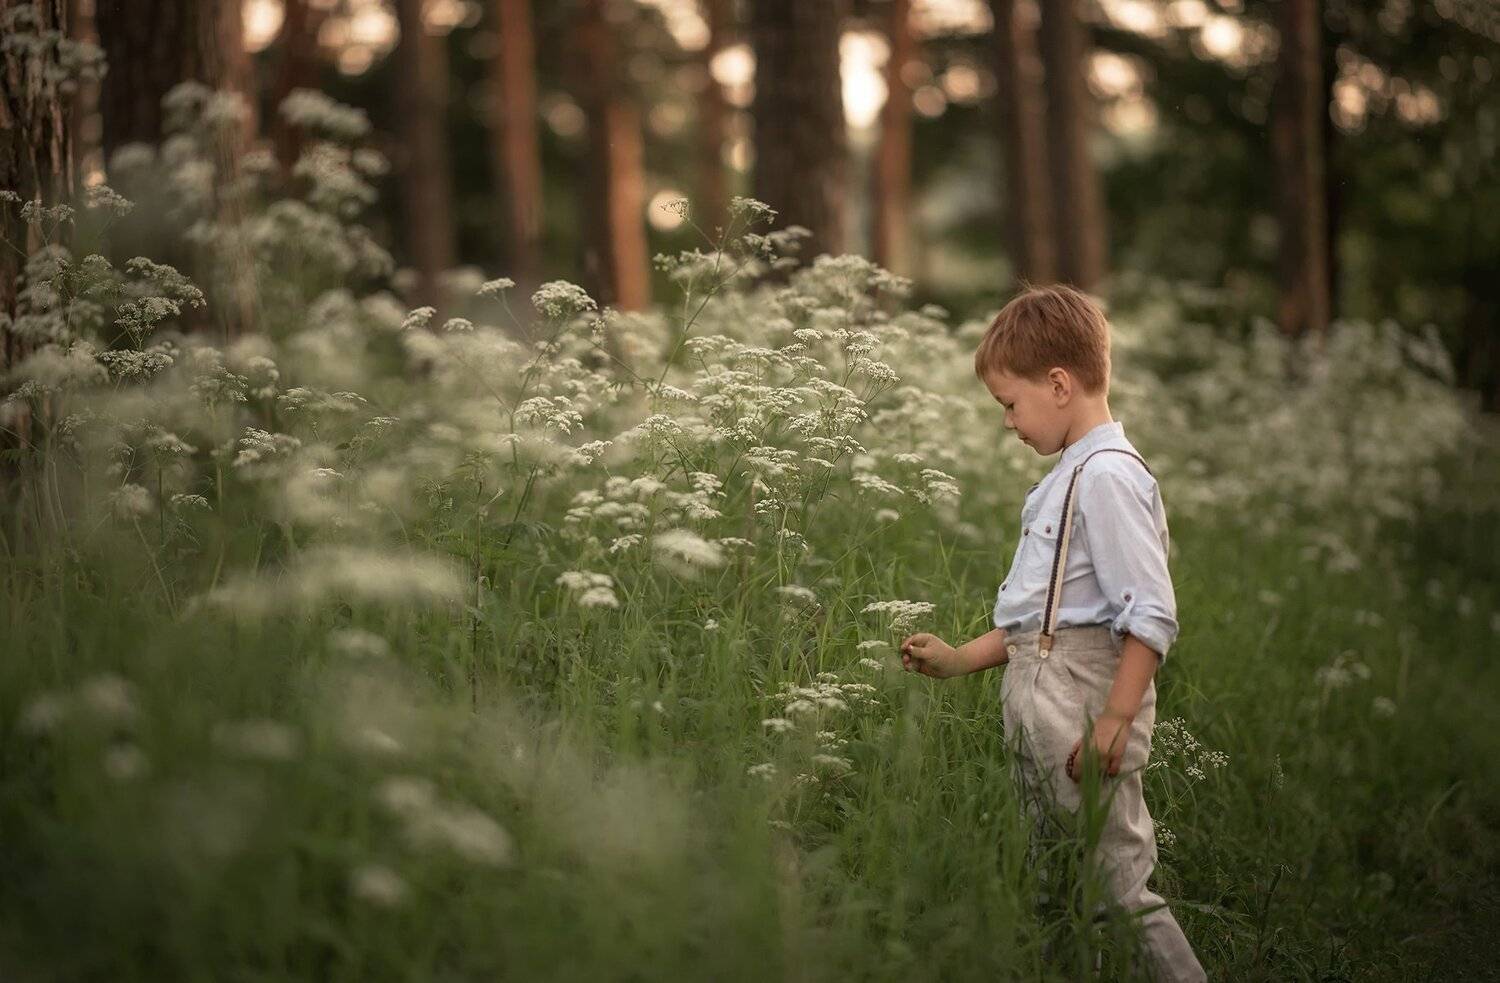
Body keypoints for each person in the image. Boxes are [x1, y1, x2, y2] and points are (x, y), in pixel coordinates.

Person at [899, 285, 1207, 983]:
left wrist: (1116, 717)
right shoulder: (1071, 474)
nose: (1008, 421)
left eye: (1010, 404)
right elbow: (1035, 623)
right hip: (1043, 696)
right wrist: (956, 660)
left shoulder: (1106, 477)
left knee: (1115, 886)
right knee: (1057, 880)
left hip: (1083, 705)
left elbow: (1151, 613)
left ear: (1060, 384)